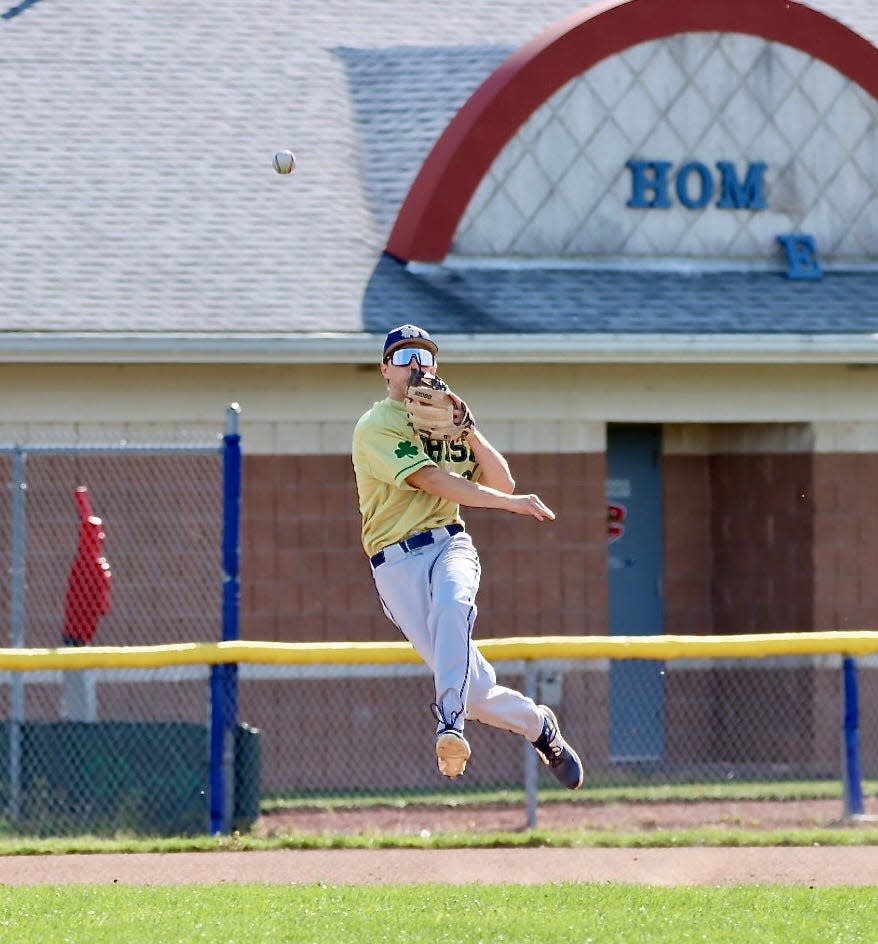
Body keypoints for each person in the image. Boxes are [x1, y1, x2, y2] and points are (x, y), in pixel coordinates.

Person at [351, 324, 583, 789]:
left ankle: (449, 725)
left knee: (454, 604)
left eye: (424, 355)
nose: (416, 364)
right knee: (477, 693)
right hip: (396, 566)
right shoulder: (377, 425)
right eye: (402, 356)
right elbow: (434, 481)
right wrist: (510, 506)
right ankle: (541, 727)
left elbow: (503, 480)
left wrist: (471, 432)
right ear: (384, 370)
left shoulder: (449, 419)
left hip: (449, 542)